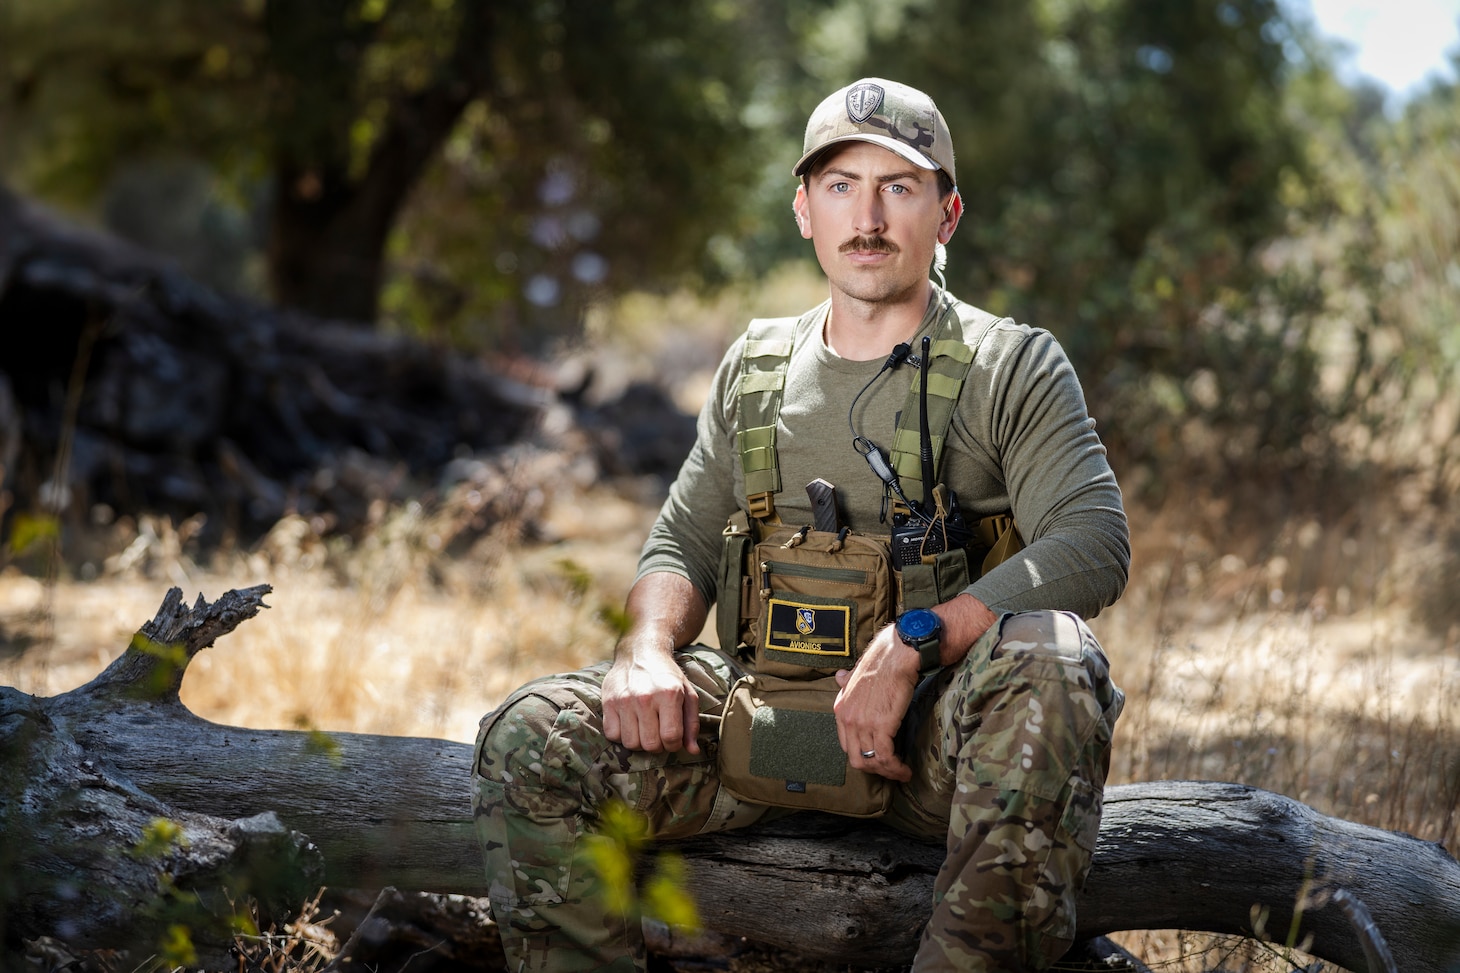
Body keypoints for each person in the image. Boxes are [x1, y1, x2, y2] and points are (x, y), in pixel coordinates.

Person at [472, 77, 1129, 972]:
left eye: (899, 186)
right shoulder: (754, 367)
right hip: (753, 725)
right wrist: (648, 649)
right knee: (529, 735)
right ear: (802, 209)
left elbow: (1093, 539)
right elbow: (682, 542)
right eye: (840, 185)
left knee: (1056, 659)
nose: (868, 217)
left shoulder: (1009, 364)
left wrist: (914, 642)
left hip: (926, 745)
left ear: (948, 213)